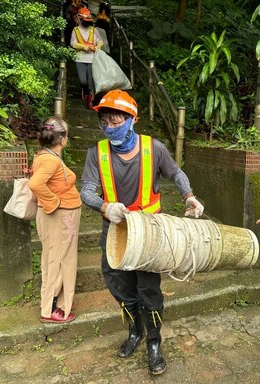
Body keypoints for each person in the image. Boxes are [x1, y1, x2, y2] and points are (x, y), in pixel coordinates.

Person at [80, 90, 204, 375]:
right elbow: (86, 191)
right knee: (120, 287)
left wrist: (189, 196)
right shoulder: (96, 153)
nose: (110, 128)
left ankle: (155, 341)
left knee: (149, 289)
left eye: (116, 122)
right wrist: (104, 206)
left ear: (132, 119)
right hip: (114, 232)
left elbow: (176, 173)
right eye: (105, 123)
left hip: (149, 233)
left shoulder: (154, 148)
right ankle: (136, 330)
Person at [28, 117, 82, 324]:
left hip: (56, 215)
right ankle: (56, 308)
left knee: (53, 258)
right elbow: (35, 184)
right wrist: (54, 202)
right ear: (63, 140)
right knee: (63, 260)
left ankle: (51, 304)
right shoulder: (50, 160)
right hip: (61, 215)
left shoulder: (43, 156)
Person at [70, 7, 104, 109]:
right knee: (82, 80)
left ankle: (90, 99)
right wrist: (83, 47)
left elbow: (101, 41)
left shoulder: (94, 30)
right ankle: (85, 91)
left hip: (92, 59)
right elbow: (72, 43)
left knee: (90, 80)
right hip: (80, 58)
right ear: (80, 19)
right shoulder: (75, 30)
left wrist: (97, 47)